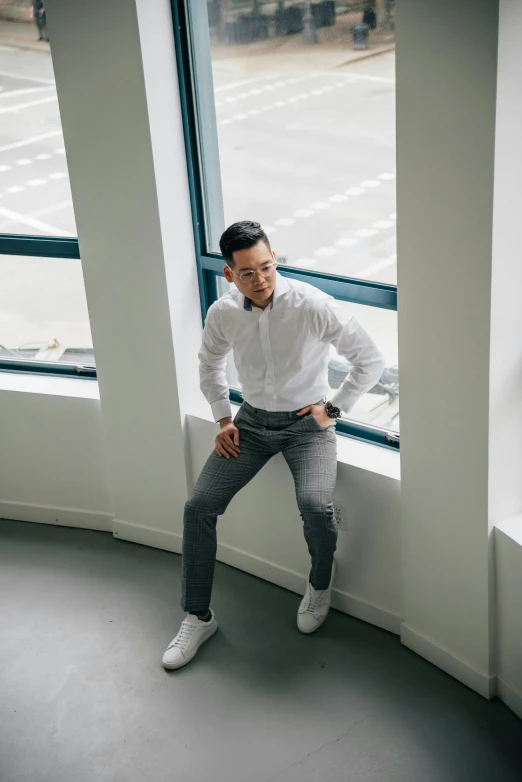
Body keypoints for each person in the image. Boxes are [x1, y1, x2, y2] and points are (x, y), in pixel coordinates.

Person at [162, 221, 384, 670]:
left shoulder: (312, 305)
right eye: (247, 272)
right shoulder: (222, 312)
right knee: (198, 506)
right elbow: (210, 367)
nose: (261, 279)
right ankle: (197, 616)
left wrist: (334, 410)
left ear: (275, 259)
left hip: (308, 426)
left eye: (266, 266)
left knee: (315, 504)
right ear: (229, 275)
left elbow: (370, 359)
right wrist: (223, 419)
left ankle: (320, 583)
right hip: (251, 425)